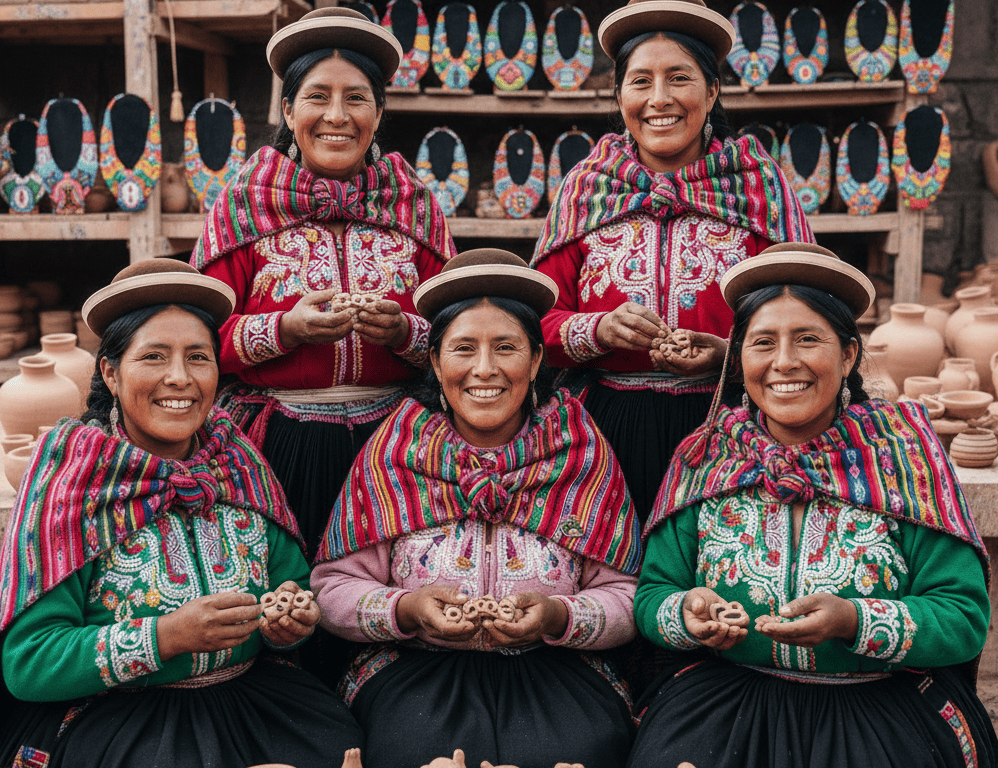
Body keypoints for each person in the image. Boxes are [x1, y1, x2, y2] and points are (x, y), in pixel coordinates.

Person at [0, 259, 365, 768]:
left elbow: (292, 585)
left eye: (198, 357)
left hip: (250, 700)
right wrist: (166, 637)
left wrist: (292, 618)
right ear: (111, 372)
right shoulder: (75, 478)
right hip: (116, 718)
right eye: (154, 357)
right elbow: (29, 662)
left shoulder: (236, 459)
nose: (179, 379)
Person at [631, 242, 998, 768]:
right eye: (763, 343)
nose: (784, 362)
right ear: (738, 359)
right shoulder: (706, 455)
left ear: (848, 354)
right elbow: (652, 596)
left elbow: (961, 617)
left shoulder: (902, 456)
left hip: (880, 712)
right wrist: (688, 614)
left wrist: (852, 619)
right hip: (726, 706)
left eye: (808, 339)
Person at [311, 250, 641, 768]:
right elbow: (330, 588)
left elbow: (626, 594)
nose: (484, 369)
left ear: (535, 361)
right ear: (436, 363)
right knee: (410, 751)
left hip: (556, 668)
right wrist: (407, 609)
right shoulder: (396, 449)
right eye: (463, 348)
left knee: (576, 752)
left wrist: (558, 615)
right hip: (414, 670)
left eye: (505, 347)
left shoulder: (580, 449)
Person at [531, 0, 815, 517]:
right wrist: (597, 331)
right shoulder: (587, 189)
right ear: (619, 96)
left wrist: (727, 355)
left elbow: (806, 317)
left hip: (731, 431)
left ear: (711, 91)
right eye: (640, 82)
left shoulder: (758, 187)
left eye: (679, 78)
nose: (659, 100)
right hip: (602, 435)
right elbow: (533, 322)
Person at [192, 7, 458, 553]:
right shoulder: (242, 204)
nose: (336, 115)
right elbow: (195, 341)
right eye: (317, 96)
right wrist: (284, 330)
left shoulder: (414, 204)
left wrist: (403, 332)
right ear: (289, 110)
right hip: (275, 448)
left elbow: (462, 331)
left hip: (400, 449)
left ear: (379, 112)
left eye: (356, 98)